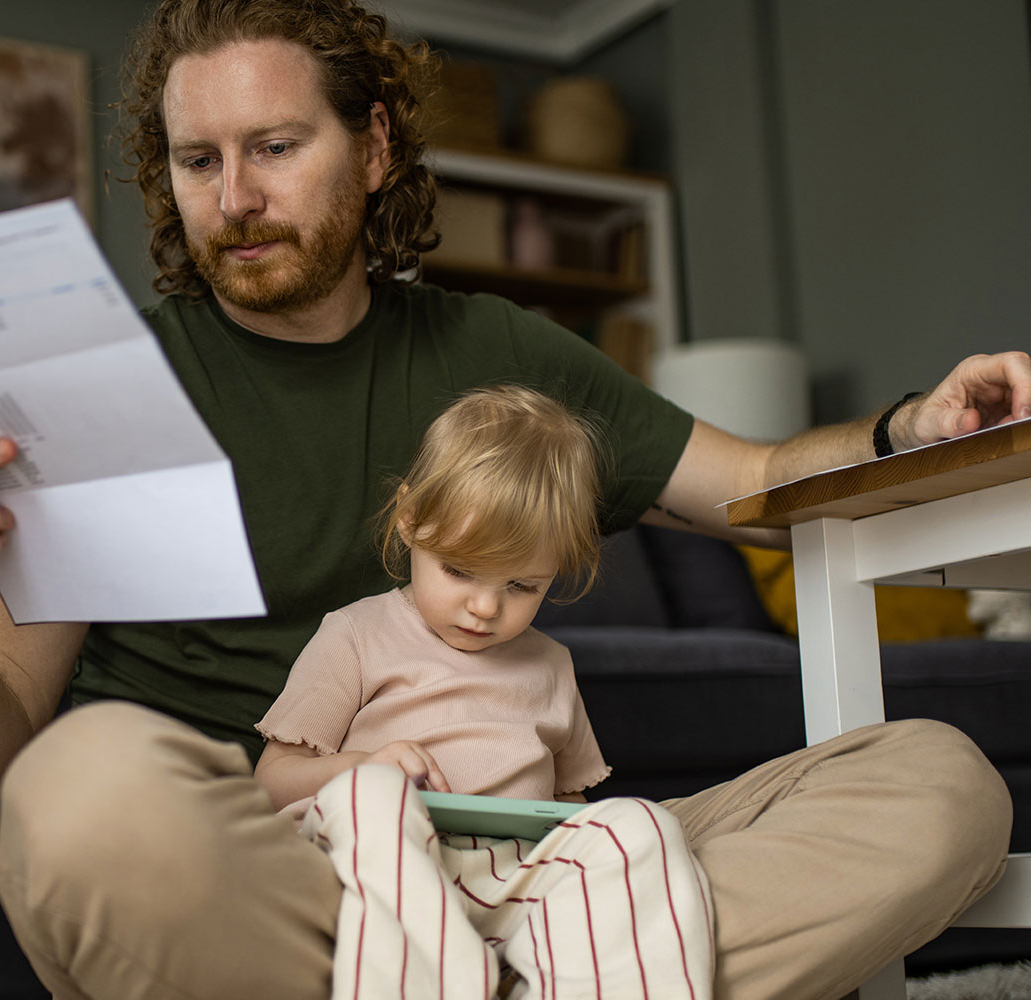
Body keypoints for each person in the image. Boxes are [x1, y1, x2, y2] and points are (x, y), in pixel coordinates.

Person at [0, 0, 1031, 996]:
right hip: (274, 875)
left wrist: (903, 427)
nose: (233, 196)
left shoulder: (493, 346)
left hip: (528, 872)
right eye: (197, 159)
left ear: (373, 147)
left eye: (275, 147)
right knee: (79, 793)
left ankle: (509, 969)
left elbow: (749, 483)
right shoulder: (101, 389)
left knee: (940, 784)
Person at [256, 384, 712, 1000]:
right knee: (371, 793)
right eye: (461, 570)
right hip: (379, 863)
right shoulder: (356, 634)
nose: (484, 607)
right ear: (410, 521)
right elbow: (272, 778)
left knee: (639, 824)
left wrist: (587, 832)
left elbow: (568, 801)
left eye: (521, 585)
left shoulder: (552, 665)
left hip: (508, 878)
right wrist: (361, 768)